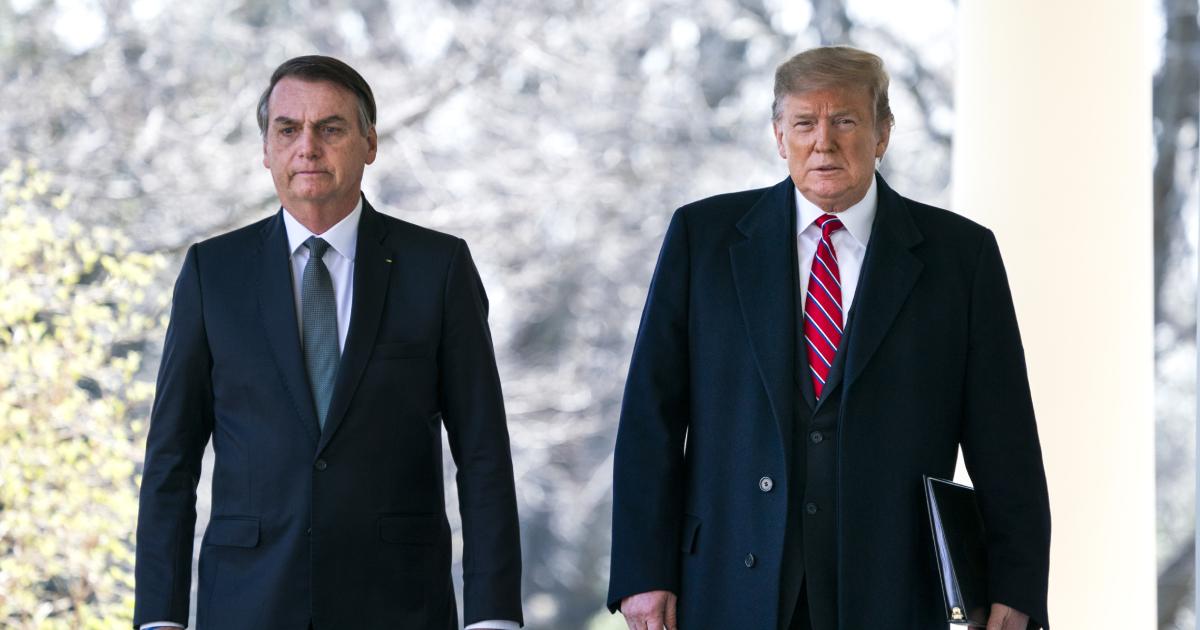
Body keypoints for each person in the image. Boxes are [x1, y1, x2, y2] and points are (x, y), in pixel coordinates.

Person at [607, 46, 1050, 630]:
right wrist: (643, 572)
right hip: (727, 580)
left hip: (895, 586)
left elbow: (1005, 435)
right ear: (778, 134)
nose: (824, 142)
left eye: (844, 120)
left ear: (882, 132)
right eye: (804, 123)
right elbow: (651, 417)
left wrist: (1016, 586)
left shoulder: (961, 257)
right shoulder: (702, 238)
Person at [134, 55, 523, 630]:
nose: (307, 147)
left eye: (330, 128)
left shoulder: (437, 268)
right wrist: (158, 619)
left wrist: (493, 617)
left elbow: (484, 454)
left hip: (399, 604)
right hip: (247, 603)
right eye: (287, 129)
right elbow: (172, 460)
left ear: (369, 142)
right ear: (266, 149)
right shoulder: (211, 274)